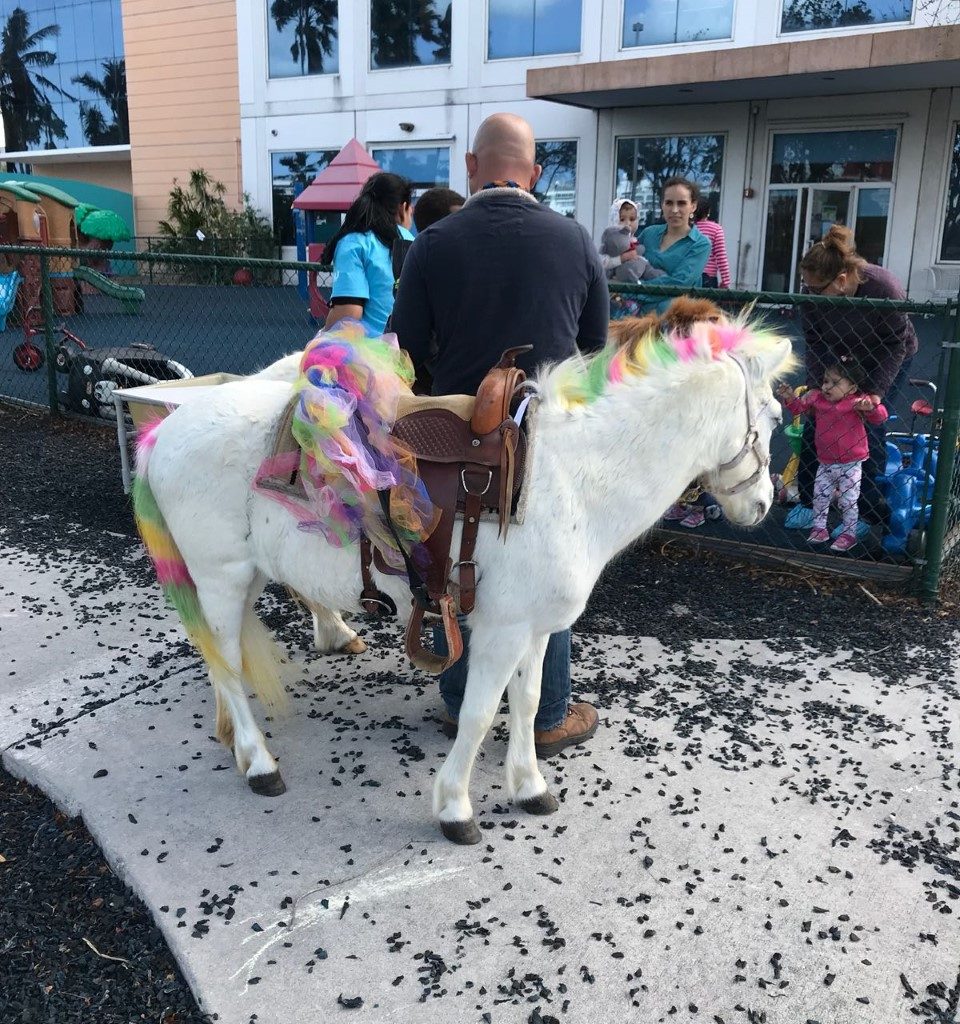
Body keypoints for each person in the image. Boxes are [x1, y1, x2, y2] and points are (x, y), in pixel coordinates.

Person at [391, 112, 608, 755]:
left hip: (457, 432)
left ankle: (460, 700)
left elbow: (407, 342)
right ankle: (548, 716)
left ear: (471, 166)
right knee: (548, 560)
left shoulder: (434, 240)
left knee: (460, 556)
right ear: (535, 174)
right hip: (547, 436)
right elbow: (592, 346)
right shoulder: (574, 239)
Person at [788, 225, 918, 532]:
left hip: (885, 355)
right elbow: (816, 340)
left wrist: (873, 392)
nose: (810, 293)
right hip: (842, 353)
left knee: (867, 427)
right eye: (806, 286)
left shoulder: (884, 288)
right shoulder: (813, 296)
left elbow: (895, 343)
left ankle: (864, 511)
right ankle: (809, 501)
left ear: (842, 281)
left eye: (817, 288)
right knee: (820, 417)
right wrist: (818, 387)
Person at [778, 359, 889, 553]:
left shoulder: (857, 403)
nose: (827, 386)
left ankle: (849, 533)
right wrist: (789, 398)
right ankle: (820, 529)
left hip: (851, 464)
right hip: (825, 462)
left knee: (848, 500)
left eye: (835, 383)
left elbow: (880, 417)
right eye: (826, 381)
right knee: (820, 496)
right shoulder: (818, 400)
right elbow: (798, 409)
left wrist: (871, 407)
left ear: (852, 387)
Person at [324, 172, 415, 335]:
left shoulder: (353, 242)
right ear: (403, 208)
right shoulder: (410, 239)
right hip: (409, 347)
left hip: (370, 351)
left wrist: (321, 336)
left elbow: (348, 314)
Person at [635, 176, 711, 313]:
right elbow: (628, 260)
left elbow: (680, 284)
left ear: (693, 206)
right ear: (662, 205)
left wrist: (634, 289)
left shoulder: (701, 244)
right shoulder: (648, 233)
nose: (674, 210)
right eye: (669, 203)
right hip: (632, 318)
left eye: (681, 203)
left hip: (675, 322)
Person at [694, 197, 731, 289]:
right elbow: (721, 257)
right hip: (708, 279)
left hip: (690, 277)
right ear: (708, 212)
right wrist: (725, 281)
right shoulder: (716, 229)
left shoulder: (688, 229)